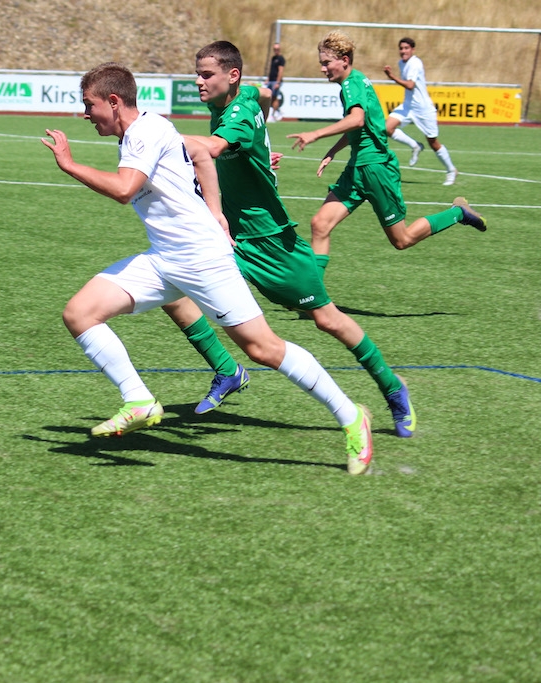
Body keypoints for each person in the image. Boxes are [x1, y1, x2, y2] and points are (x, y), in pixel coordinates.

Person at [42, 62, 373, 475]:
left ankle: (351, 417)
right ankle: (139, 400)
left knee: (264, 349)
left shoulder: (144, 132)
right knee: (79, 313)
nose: (85, 114)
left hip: (202, 259)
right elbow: (200, 153)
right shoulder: (143, 131)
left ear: (113, 101)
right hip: (164, 258)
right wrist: (215, 211)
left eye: (89, 105)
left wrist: (69, 164)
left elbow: (125, 190)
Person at [164, 40, 415, 437]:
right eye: (197, 74)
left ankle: (391, 387)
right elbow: (264, 95)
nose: (198, 81)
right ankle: (227, 371)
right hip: (230, 237)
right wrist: (260, 150)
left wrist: (157, 137)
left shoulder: (237, 115)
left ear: (231, 75)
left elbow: (211, 148)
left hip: (272, 243)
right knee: (171, 289)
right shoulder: (243, 96)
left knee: (327, 320)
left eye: (206, 74)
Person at [286, 31, 488, 279]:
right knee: (320, 224)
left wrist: (316, 134)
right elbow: (361, 125)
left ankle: (458, 213)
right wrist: (333, 151)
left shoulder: (351, 84)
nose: (322, 68)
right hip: (358, 168)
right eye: (321, 63)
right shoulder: (354, 82)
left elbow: (357, 120)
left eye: (326, 63)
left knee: (402, 239)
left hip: (376, 169)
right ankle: (315, 292)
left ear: (344, 60)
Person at [382, 37, 459, 186]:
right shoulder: (401, 63)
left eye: (406, 48)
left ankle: (451, 170)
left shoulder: (415, 63)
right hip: (408, 106)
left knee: (433, 142)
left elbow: (410, 85)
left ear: (413, 50)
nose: (403, 51)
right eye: (401, 48)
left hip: (423, 109)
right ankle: (415, 145)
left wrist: (392, 77)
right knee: (386, 128)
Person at [265, 42, 286, 122]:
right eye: (274, 49)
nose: (276, 50)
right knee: (269, 97)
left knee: (274, 97)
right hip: (271, 80)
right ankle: (275, 112)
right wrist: (268, 79)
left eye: (277, 49)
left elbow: (280, 71)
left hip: (275, 81)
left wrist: (278, 82)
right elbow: (271, 69)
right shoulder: (273, 58)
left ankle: (273, 115)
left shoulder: (281, 59)